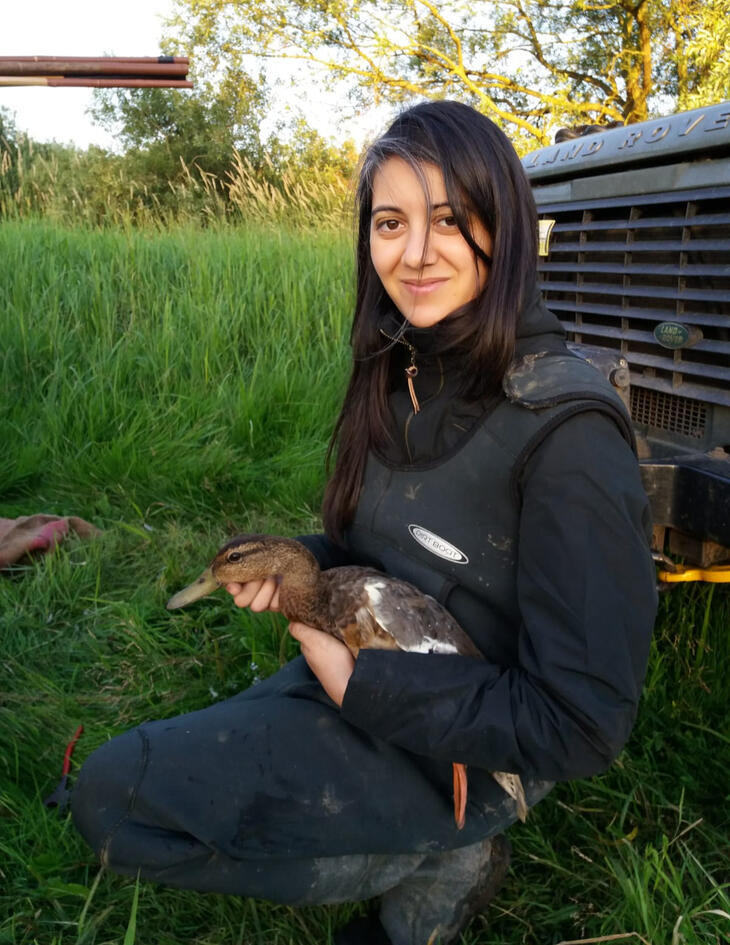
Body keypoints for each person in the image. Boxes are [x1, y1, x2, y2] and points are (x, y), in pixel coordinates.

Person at [71, 100, 658, 945]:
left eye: (451, 219)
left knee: (115, 804)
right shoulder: (396, 369)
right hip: (368, 673)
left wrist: (363, 687)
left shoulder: (568, 431)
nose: (415, 253)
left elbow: (584, 721)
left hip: (467, 746)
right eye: (391, 221)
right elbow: (367, 552)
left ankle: (442, 856)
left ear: (511, 226)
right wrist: (299, 567)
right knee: (125, 784)